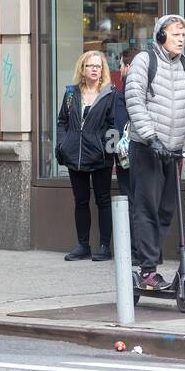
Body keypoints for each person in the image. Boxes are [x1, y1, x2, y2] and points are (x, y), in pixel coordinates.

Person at [125, 15, 185, 290]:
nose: (181, 40)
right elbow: (135, 100)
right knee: (146, 208)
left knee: (166, 210)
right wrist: (151, 138)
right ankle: (147, 269)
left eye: (183, 35)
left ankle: (150, 262)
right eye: (176, 35)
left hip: (173, 150)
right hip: (147, 148)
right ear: (160, 36)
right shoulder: (144, 62)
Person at [55, 50, 116, 262]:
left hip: (100, 156)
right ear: (82, 69)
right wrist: (63, 144)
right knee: (80, 201)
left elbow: (114, 126)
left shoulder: (109, 94)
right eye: (90, 66)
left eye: (98, 66)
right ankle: (83, 245)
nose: (94, 70)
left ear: (103, 71)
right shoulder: (71, 94)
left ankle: (104, 246)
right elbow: (62, 120)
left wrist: (107, 151)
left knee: (103, 200)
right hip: (75, 155)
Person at [113, 47, 138, 197]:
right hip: (147, 156)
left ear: (128, 67)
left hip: (127, 157)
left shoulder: (122, 95)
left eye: (121, 65)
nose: (120, 70)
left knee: (129, 197)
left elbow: (119, 127)